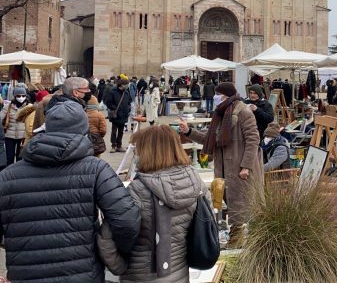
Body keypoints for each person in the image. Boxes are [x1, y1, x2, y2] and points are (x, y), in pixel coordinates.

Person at [0, 100, 140, 282]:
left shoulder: (7, 176)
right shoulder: (96, 169)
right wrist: (116, 253)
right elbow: (126, 219)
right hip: (83, 273)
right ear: (83, 130)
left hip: (25, 274)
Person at [98, 125, 208, 282]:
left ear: (148, 151)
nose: (136, 153)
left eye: (139, 148)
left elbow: (106, 240)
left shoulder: (136, 190)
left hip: (140, 276)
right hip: (180, 273)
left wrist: (119, 267)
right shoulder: (196, 184)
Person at [180, 83, 262, 230]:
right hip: (223, 167)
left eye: (218, 95)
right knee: (226, 201)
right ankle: (233, 236)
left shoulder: (243, 112)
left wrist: (246, 166)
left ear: (226, 96)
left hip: (239, 167)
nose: (215, 97)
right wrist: (188, 132)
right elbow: (210, 139)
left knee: (240, 205)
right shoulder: (220, 113)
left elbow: (253, 139)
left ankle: (238, 239)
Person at [0, 88, 31, 168]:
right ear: (15, 96)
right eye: (19, 95)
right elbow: (0, 117)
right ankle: (8, 174)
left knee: (19, 158)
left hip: (22, 137)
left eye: (23, 95)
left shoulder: (29, 107)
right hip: (9, 136)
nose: (21, 97)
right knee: (9, 157)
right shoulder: (8, 106)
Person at [106, 78, 132, 153]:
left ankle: (119, 145)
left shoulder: (126, 92)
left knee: (121, 131)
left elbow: (129, 102)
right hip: (116, 115)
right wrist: (115, 109)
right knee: (114, 130)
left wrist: (128, 109)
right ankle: (113, 146)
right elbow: (108, 103)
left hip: (124, 115)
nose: (127, 86)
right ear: (121, 85)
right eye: (126, 85)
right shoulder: (113, 92)